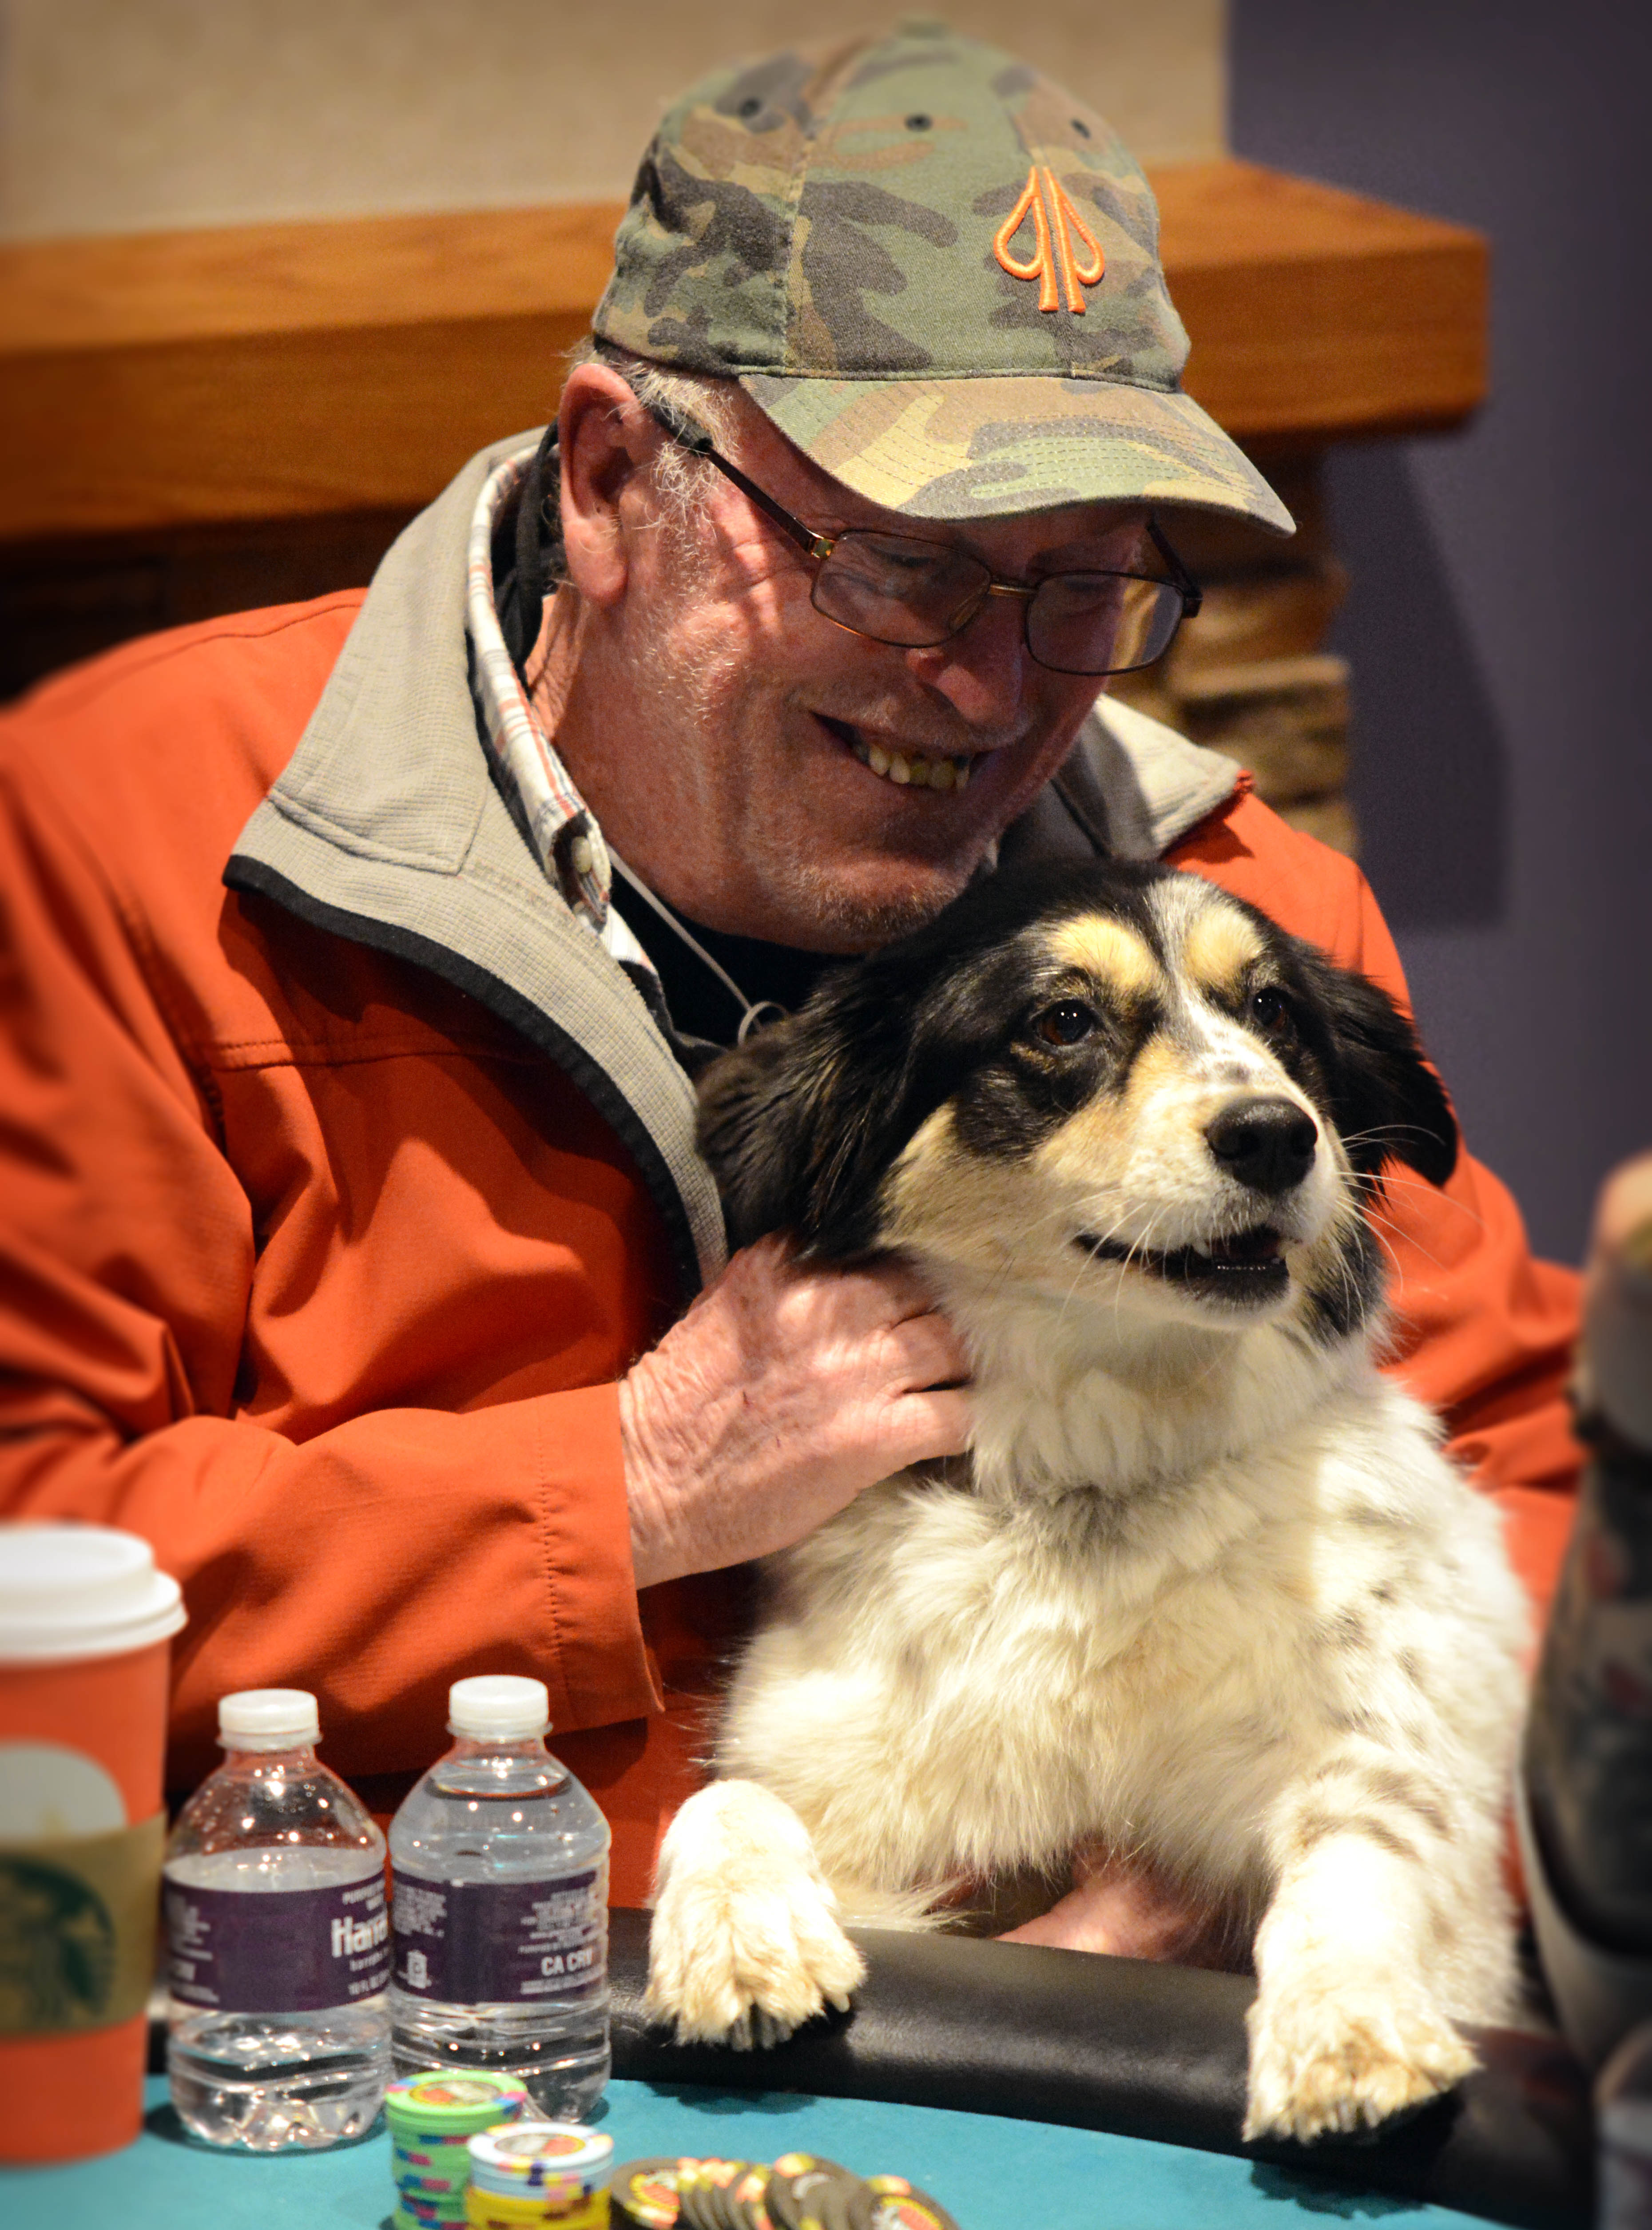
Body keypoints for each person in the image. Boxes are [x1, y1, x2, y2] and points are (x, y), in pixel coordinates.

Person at [0, 25, 1580, 1920]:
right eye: (904, 565)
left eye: (1085, 584)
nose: (995, 688)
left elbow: (1543, 1499)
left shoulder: (1239, 925)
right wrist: (635, 1484)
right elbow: (37, 1561)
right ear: (608, 481)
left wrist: (1200, 1882)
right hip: (391, 2035)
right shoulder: (127, 847)